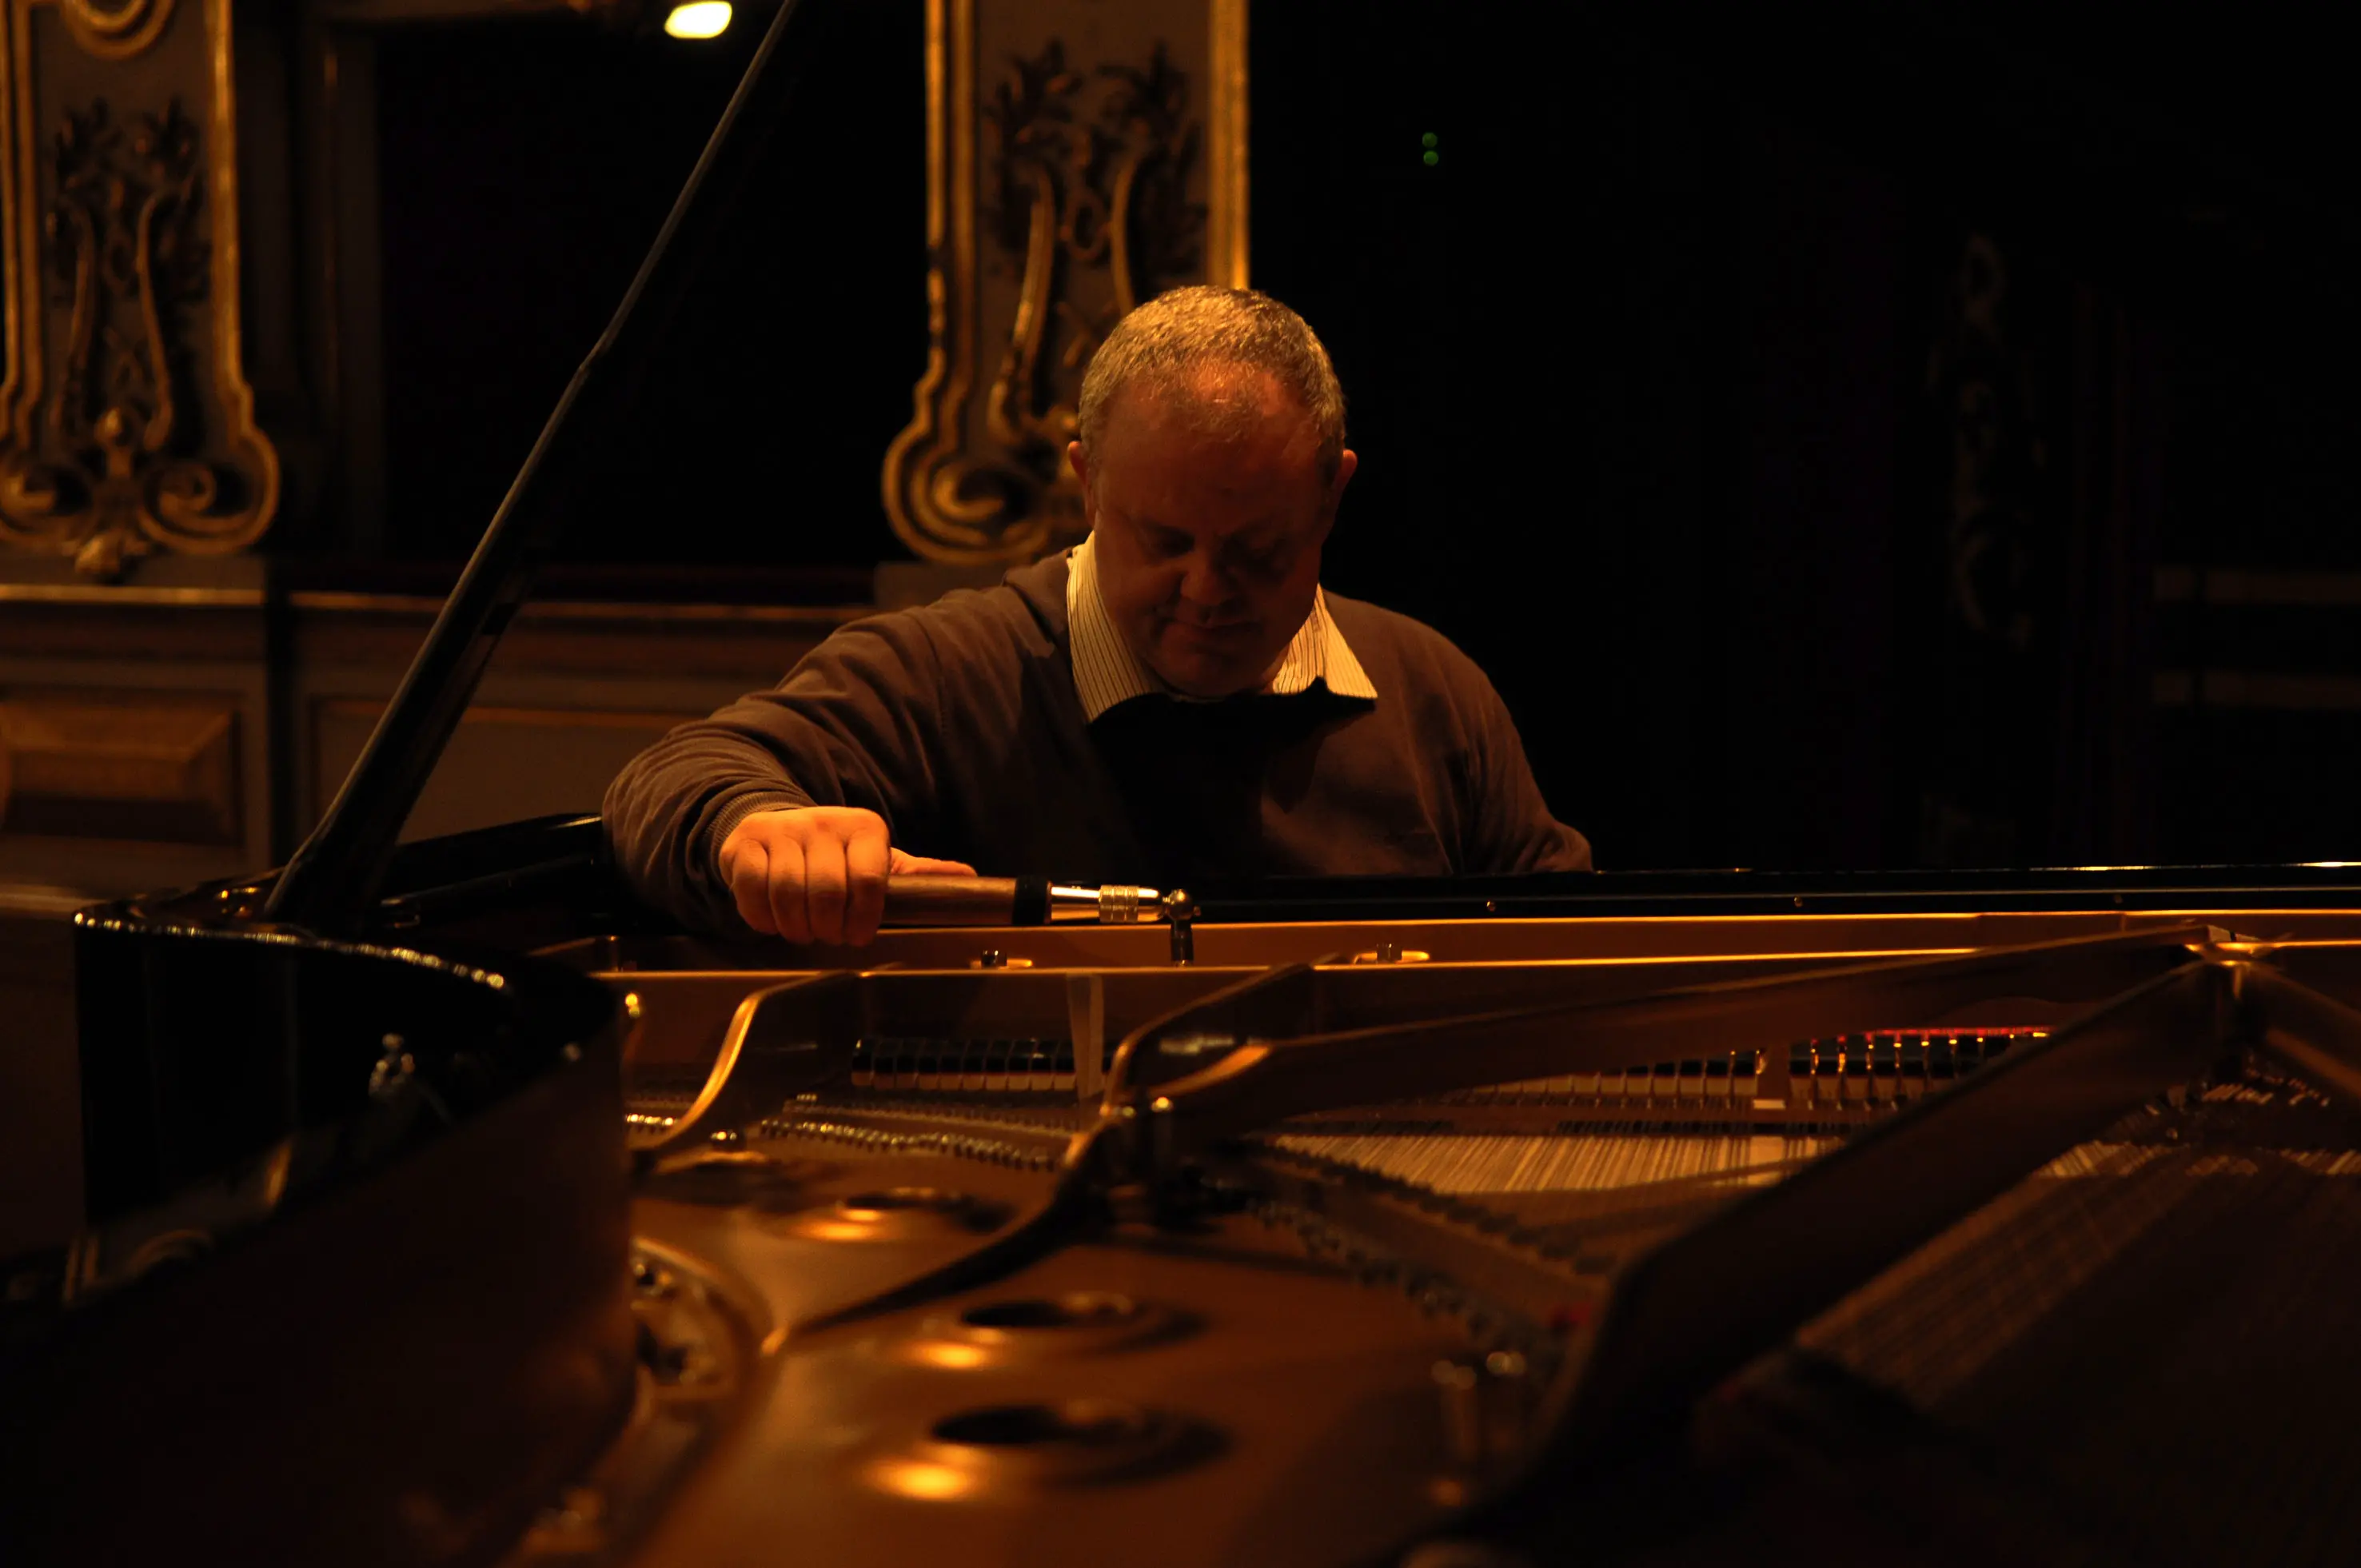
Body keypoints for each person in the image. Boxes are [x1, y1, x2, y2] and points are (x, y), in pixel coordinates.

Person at [604, 286, 1589, 944]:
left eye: (1256, 550)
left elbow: (1583, 941)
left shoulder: (1430, 689)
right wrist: (760, 827)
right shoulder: (954, 668)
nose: (1206, 589)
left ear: (1331, 498)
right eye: (1163, 541)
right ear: (1086, 484)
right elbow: (669, 778)